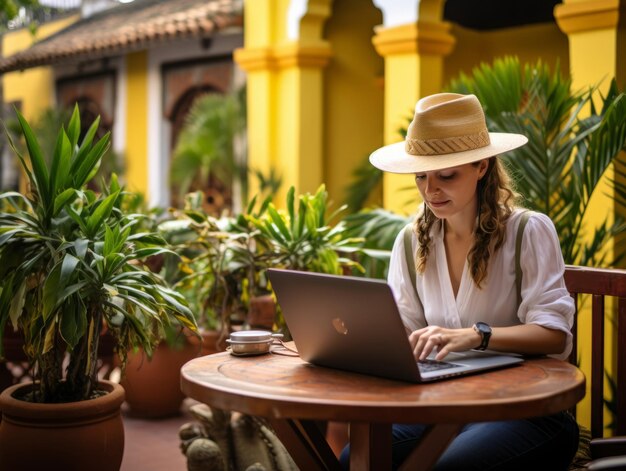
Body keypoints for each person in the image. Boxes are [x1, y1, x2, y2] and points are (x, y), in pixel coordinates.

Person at [340, 93, 579, 470]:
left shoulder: (527, 231)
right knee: (354, 459)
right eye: (421, 176)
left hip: (524, 409)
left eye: (446, 175)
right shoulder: (411, 241)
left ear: (481, 166)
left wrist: (476, 334)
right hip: (442, 404)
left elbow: (555, 335)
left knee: (451, 468)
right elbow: (404, 330)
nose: (430, 190)